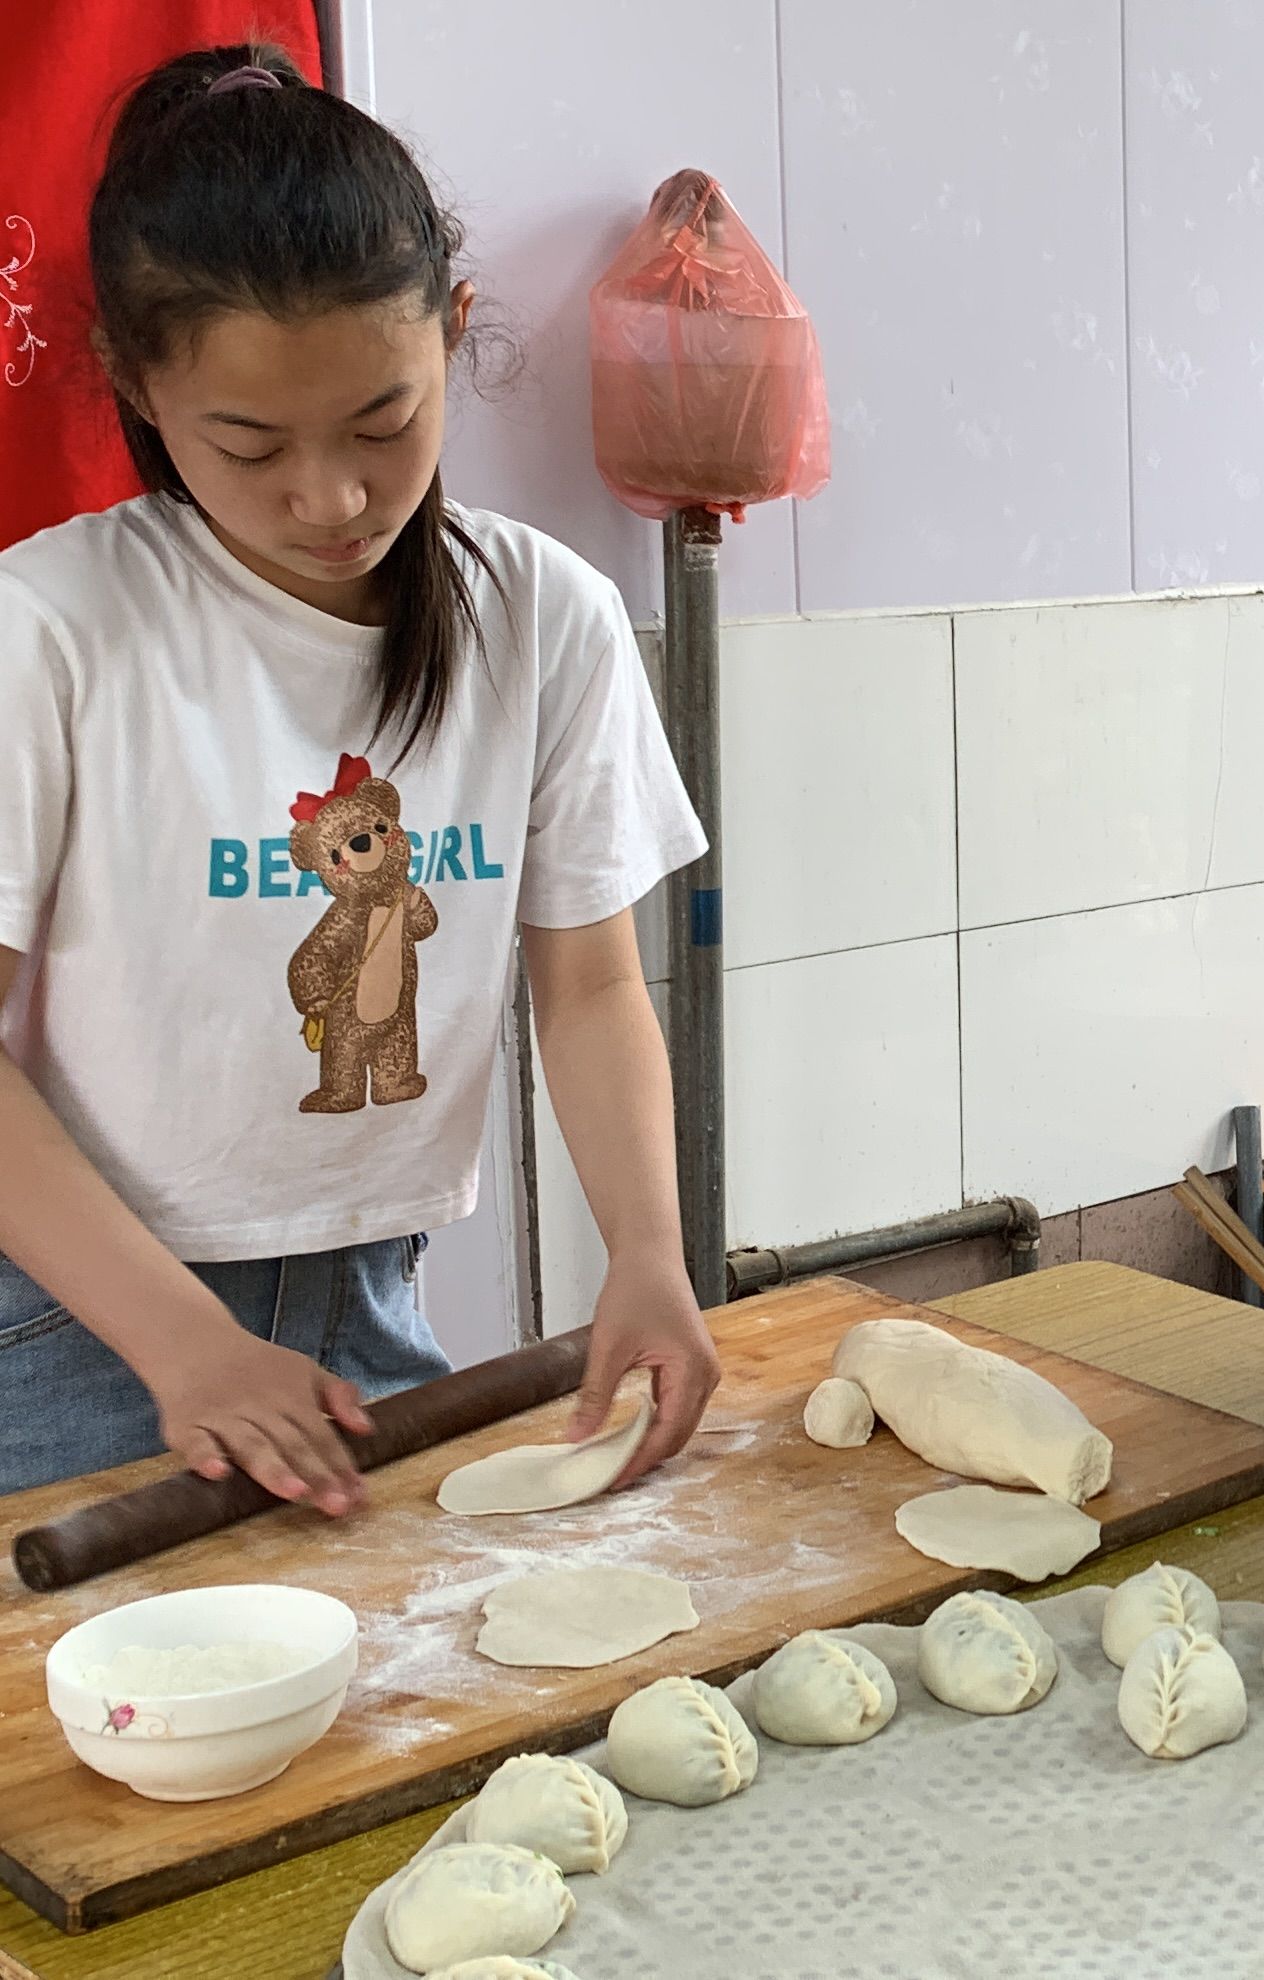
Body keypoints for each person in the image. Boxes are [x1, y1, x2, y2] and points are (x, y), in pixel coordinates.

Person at [0, 45, 719, 1509]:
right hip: (78, 1321)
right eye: (249, 445)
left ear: (455, 335)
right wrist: (188, 1343)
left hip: (370, 1305)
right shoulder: (53, 628)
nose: (330, 501)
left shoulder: (543, 616)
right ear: (140, 384)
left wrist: (649, 1252)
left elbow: (585, 985)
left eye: (384, 424)